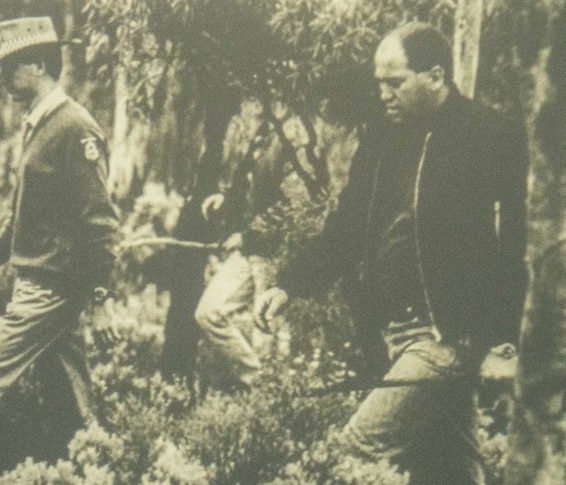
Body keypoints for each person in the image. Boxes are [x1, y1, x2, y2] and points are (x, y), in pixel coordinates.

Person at [254, 22, 528, 484]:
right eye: (379, 81)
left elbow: (514, 245)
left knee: (356, 448)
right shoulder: (382, 140)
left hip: (447, 336)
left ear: (436, 77)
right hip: (396, 331)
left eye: (395, 82)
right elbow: (345, 227)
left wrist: (504, 339)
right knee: (447, 468)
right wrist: (289, 284)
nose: (383, 93)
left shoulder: (487, 134)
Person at [0, 15, 119, 471]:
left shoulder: (73, 128)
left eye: (11, 66)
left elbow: (100, 222)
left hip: (51, 288)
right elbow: (20, 219)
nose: (2, 78)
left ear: (39, 66)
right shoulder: (39, 126)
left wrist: (100, 296)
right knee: (71, 404)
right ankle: (92, 469)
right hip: (41, 282)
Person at [191, 97, 287, 390]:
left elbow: (291, 208)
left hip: (273, 255)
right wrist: (226, 203)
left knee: (268, 330)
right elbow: (249, 190)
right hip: (249, 253)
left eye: (254, 100)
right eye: (246, 101)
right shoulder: (258, 137)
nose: (247, 107)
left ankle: (276, 400)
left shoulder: (289, 139)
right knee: (208, 313)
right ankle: (257, 383)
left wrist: (247, 236)